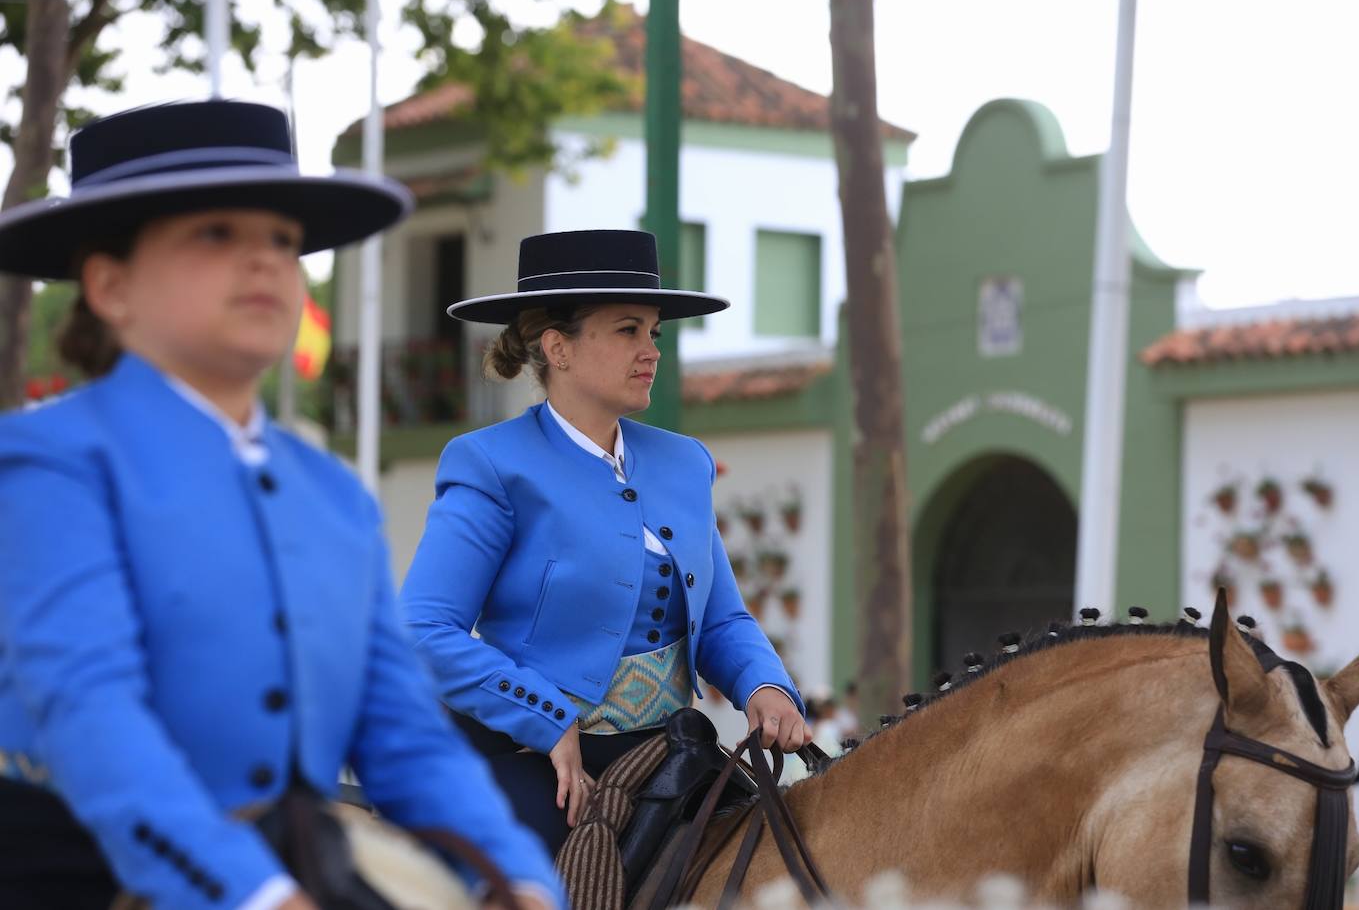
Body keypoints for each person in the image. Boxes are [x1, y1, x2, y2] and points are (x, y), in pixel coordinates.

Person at [0, 101, 560, 910]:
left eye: (283, 242)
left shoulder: (332, 493)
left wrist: (521, 880)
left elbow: (406, 739)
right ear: (111, 284)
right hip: (81, 874)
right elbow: (91, 716)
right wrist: (254, 894)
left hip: (304, 862)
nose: (264, 262)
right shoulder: (47, 465)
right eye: (217, 234)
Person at [400, 229, 810, 856]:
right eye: (628, 331)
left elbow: (721, 617)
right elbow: (425, 629)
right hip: (533, 756)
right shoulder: (489, 463)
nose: (651, 350)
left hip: (672, 753)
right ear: (557, 347)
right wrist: (544, 716)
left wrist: (766, 686)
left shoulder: (683, 462)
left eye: (655, 333)